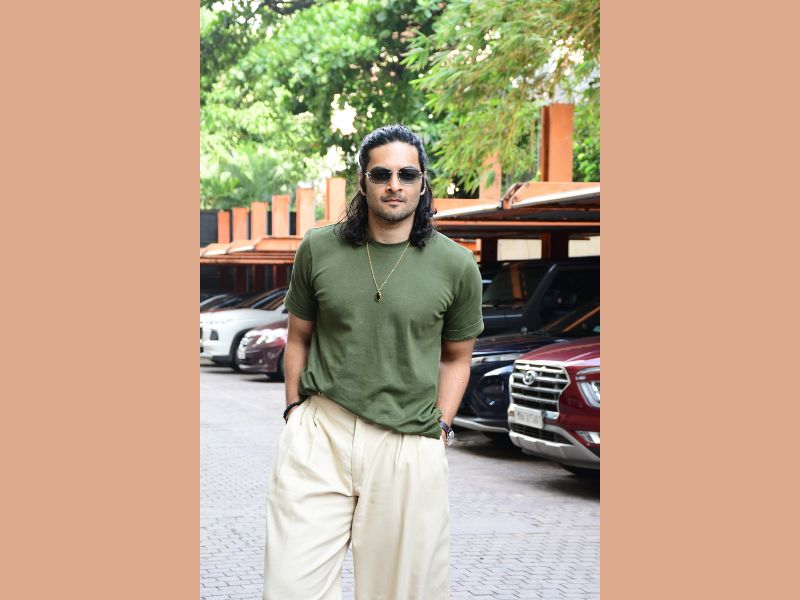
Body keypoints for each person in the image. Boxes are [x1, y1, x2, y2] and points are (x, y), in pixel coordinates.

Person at [262, 123, 484, 600]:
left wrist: (441, 429)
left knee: (401, 591)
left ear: (423, 184)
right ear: (362, 183)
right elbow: (298, 337)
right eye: (381, 174)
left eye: (407, 174)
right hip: (321, 433)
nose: (394, 184)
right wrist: (294, 411)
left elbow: (456, 358)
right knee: (290, 585)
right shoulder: (318, 248)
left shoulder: (456, 265)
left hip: (407, 442)